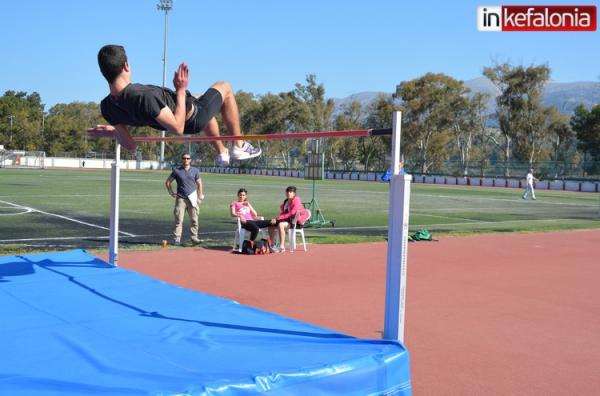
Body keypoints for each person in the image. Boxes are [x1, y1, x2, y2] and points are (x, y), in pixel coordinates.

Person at [87, 44, 261, 167]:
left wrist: (113, 132)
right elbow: (178, 128)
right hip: (192, 117)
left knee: (202, 98)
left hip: (185, 110)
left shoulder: (107, 107)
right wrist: (180, 89)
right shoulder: (143, 96)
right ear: (126, 66)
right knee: (225, 87)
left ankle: (222, 152)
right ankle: (238, 146)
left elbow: (131, 146)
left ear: (103, 73)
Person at [165, 153, 204, 244]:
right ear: (182, 159)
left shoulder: (195, 171)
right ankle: (177, 239)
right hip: (181, 199)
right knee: (178, 220)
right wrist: (171, 192)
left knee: (194, 219)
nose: (186, 160)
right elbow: (168, 182)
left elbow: (199, 184)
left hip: (193, 198)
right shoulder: (177, 171)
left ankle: (194, 238)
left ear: (190, 160)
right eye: (184, 158)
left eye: (188, 158)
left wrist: (200, 197)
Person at [270, 186, 309, 252]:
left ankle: (282, 246)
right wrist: (276, 219)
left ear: (294, 193)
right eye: (287, 192)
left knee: (281, 224)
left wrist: (277, 219)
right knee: (271, 225)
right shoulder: (286, 202)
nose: (289, 193)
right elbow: (283, 213)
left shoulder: (297, 200)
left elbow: (291, 213)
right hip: (288, 220)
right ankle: (273, 244)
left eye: (291, 192)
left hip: (296, 222)